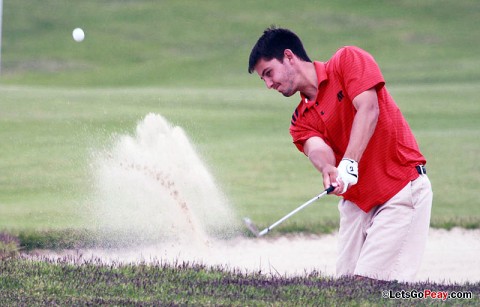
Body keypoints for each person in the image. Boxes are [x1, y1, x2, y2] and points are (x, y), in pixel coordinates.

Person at [247, 26, 433, 282]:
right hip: (356, 204)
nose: (268, 84)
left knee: (370, 287)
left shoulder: (347, 60)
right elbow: (317, 149)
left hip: (400, 189)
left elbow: (368, 109)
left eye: (269, 73)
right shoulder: (299, 120)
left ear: (289, 56)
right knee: (346, 290)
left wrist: (349, 162)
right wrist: (327, 169)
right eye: (263, 79)